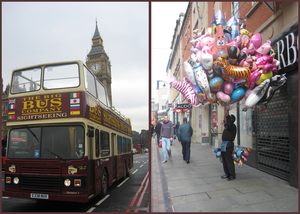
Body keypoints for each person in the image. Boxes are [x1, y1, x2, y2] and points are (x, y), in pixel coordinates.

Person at [221, 109, 237, 181]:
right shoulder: (228, 126)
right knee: (224, 160)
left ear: (232, 119)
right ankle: (227, 173)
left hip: (228, 145)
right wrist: (225, 116)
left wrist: (227, 115)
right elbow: (226, 124)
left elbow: (229, 125)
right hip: (224, 145)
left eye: (229, 118)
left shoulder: (232, 126)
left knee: (228, 160)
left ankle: (232, 174)